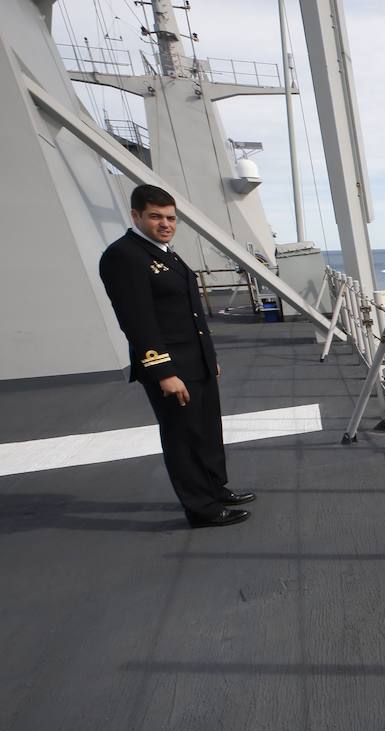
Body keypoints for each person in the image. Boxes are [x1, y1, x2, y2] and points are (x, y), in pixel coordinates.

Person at [98, 184, 253, 528]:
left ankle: (214, 487)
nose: (165, 223)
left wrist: (207, 355)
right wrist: (163, 371)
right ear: (136, 215)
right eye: (156, 216)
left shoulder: (164, 252)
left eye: (170, 217)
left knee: (207, 429)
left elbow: (190, 312)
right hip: (171, 366)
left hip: (194, 361)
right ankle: (202, 509)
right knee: (182, 437)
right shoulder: (124, 255)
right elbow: (137, 320)